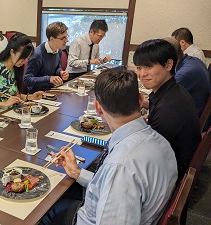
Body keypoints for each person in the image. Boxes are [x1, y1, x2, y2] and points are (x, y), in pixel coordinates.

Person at [40, 67, 178, 225]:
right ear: (140, 100)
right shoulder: (161, 141)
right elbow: (109, 184)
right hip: (129, 210)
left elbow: (117, 178)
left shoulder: (121, 166)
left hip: (89, 218)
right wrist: (77, 172)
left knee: (44, 209)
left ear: (98, 108)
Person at [133, 39, 201, 181]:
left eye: (148, 67)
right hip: (168, 165)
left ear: (168, 65)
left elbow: (148, 156)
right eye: (138, 67)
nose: (142, 74)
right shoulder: (173, 91)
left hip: (166, 177)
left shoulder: (169, 108)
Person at [0, 33, 43, 122]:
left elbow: (14, 96)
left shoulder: (14, 68)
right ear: (12, 52)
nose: (24, 62)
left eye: (27, 58)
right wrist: (4, 104)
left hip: (7, 114)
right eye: (22, 58)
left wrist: (30, 97)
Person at [164, 37, 210, 116]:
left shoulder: (183, 74)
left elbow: (163, 104)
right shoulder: (194, 60)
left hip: (189, 121)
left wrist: (143, 102)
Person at [24, 22, 69, 94]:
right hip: (38, 94)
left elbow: (57, 67)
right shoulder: (37, 55)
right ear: (52, 39)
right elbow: (27, 80)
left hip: (52, 90)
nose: (67, 40)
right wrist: (49, 79)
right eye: (63, 38)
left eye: (67, 36)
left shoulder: (59, 50)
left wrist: (60, 73)